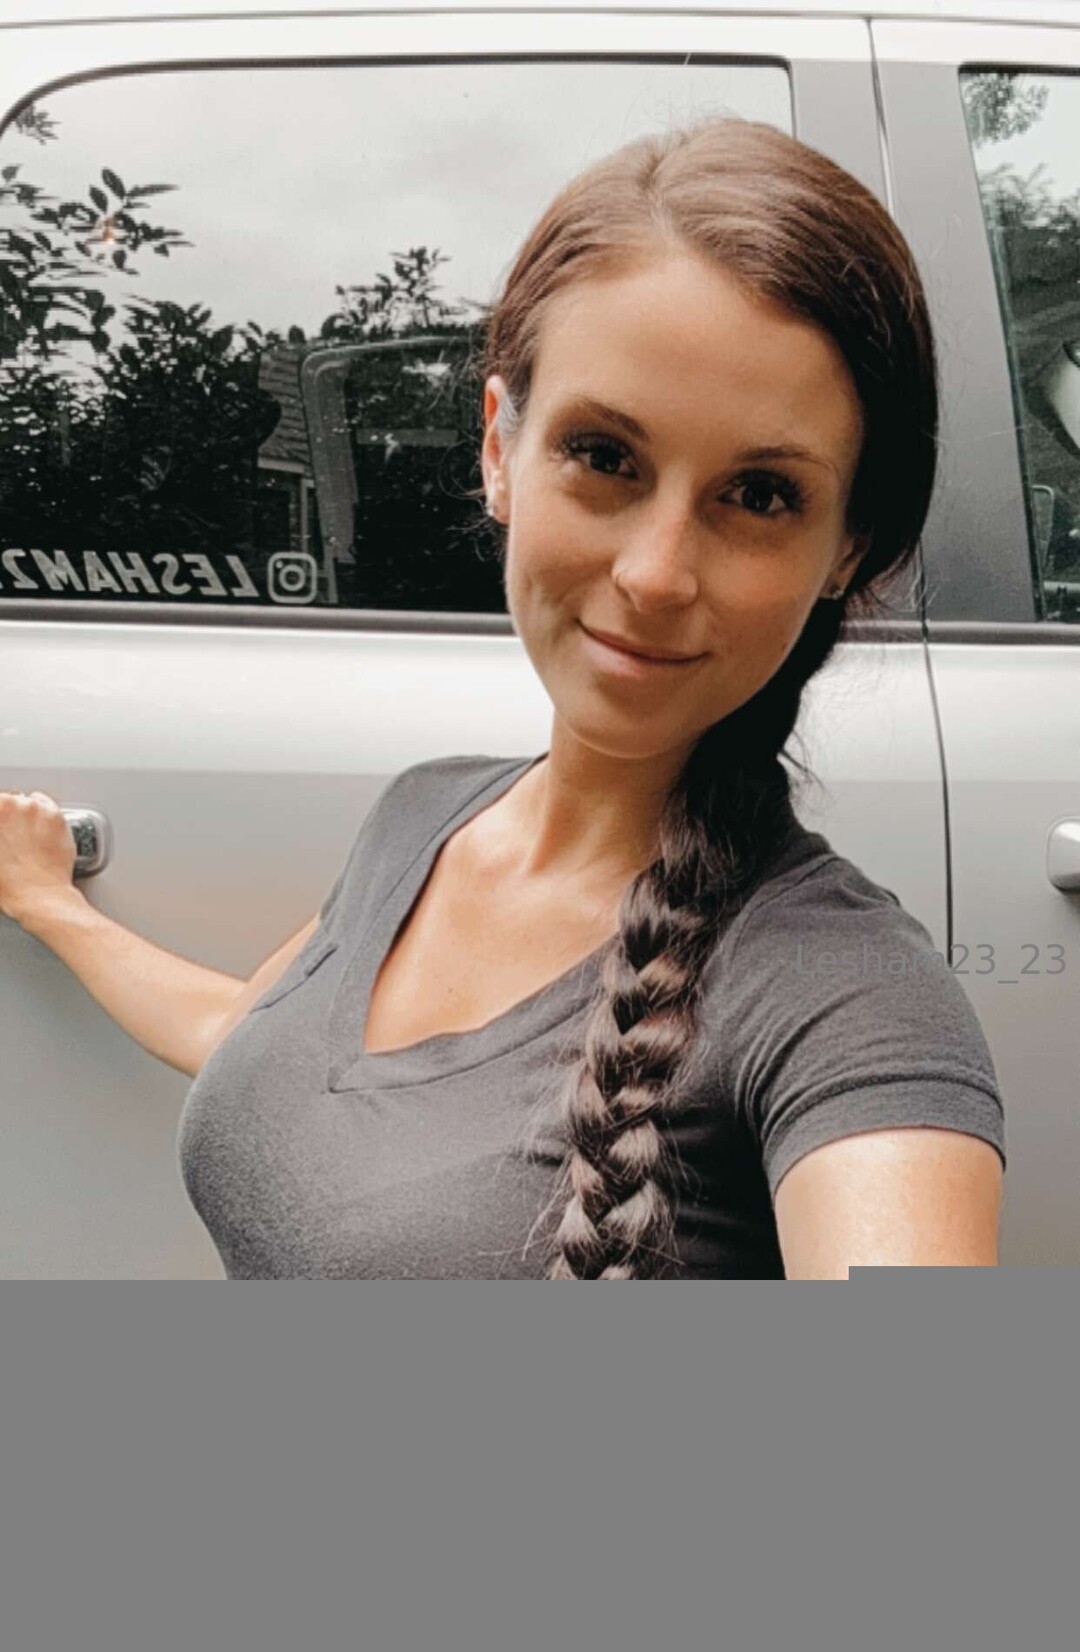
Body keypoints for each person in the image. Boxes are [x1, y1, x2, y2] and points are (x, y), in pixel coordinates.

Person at [0, 117, 1005, 1278]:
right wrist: (55, 910)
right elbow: (252, 1046)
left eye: (761, 494)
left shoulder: (845, 996)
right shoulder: (422, 818)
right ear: (498, 451)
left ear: (849, 548)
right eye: (606, 457)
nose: (655, 574)